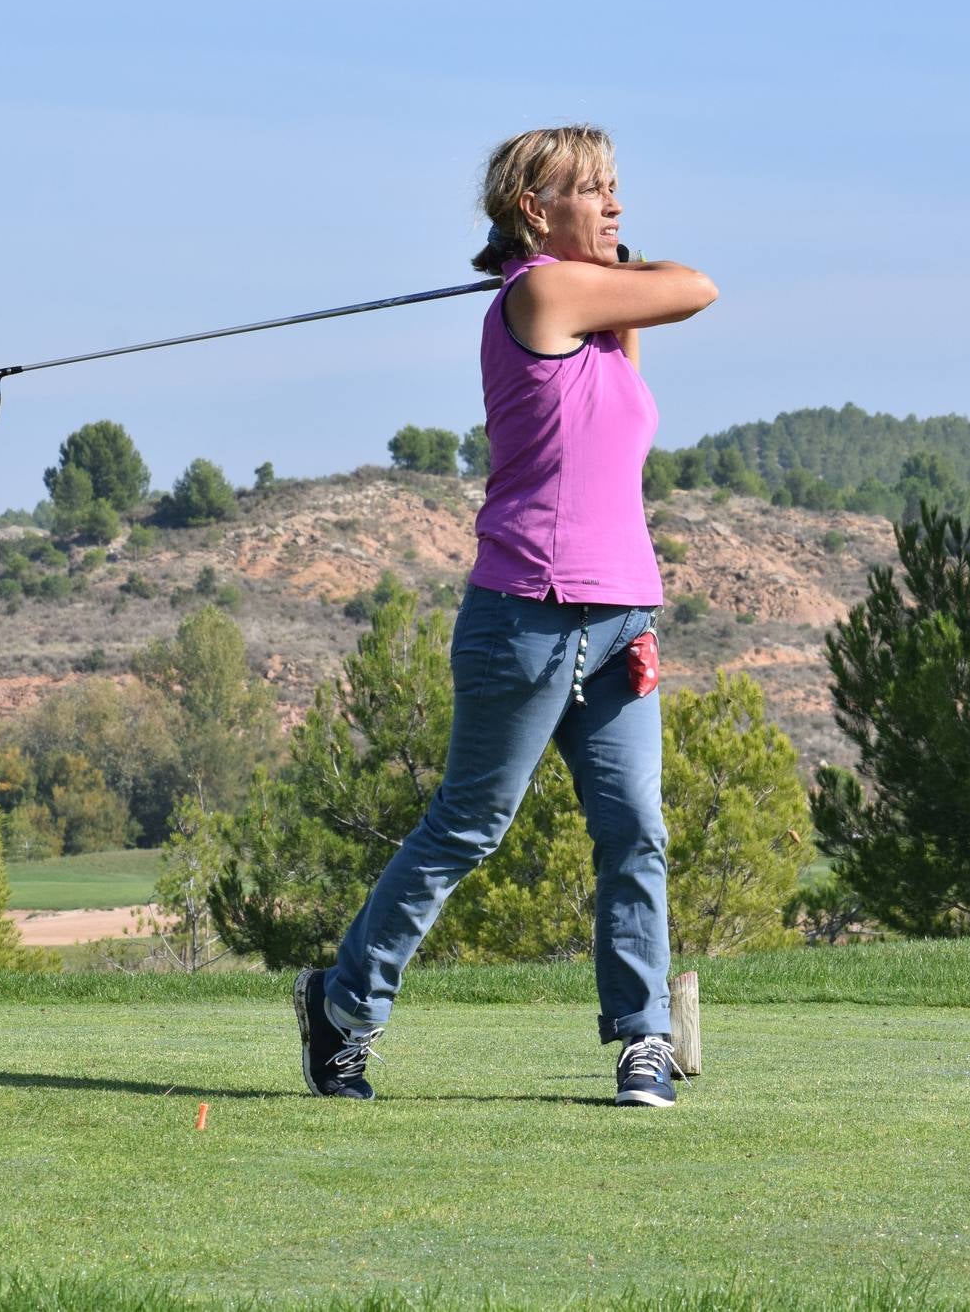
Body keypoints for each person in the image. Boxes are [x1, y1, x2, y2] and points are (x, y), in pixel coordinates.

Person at [293, 125, 718, 1107]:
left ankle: (643, 1037)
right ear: (535, 207)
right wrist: (629, 270)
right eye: (593, 191)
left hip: (620, 617)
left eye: (618, 189)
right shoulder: (540, 292)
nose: (615, 205)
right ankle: (343, 1006)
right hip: (523, 617)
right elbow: (697, 285)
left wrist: (621, 269)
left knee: (634, 831)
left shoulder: (599, 310)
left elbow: (640, 357)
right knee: (469, 828)